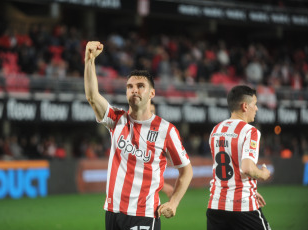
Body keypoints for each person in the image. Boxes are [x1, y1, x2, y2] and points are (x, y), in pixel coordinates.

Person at [84, 41, 193, 230]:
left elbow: (186, 170)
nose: (134, 89)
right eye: (129, 86)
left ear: (152, 93)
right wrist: (89, 60)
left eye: (140, 85)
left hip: (143, 215)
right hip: (112, 211)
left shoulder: (166, 130)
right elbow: (92, 97)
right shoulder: (116, 119)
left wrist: (173, 203)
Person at [206, 85, 271, 230]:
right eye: (255, 104)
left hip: (216, 206)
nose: (257, 109)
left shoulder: (216, 130)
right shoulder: (250, 131)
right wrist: (263, 174)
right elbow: (247, 168)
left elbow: (227, 168)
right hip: (242, 207)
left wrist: (252, 190)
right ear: (245, 106)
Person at [150, 102, 175, 199]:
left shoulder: (160, 133)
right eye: (148, 111)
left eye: (152, 112)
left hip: (149, 196)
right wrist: (162, 185)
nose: (151, 115)